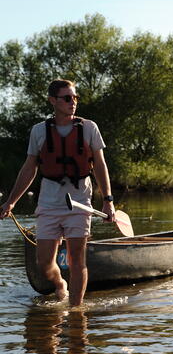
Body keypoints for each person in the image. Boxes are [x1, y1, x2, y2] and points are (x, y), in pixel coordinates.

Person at [0, 79, 115, 306]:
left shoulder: (89, 128)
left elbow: (100, 165)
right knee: (43, 263)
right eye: (67, 98)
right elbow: (29, 168)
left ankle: (76, 311)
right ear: (53, 101)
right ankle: (60, 284)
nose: (73, 102)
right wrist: (11, 202)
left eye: (75, 98)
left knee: (76, 260)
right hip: (49, 201)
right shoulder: (39, 131)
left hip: (80, 200)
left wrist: (108, 200)